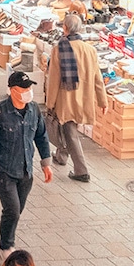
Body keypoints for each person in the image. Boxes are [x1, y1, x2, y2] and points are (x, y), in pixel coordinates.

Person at [0, 72, 54, 255]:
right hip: (4, 171)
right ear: (13, 91)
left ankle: (6, 239)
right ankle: (6, 245)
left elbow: (41, 136)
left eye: (29, 88)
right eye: (24, 89)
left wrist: (46, 163)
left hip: (25, 171)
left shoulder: (34, 110)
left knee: (16, 210)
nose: (28, 92)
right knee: (12, 210)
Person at [43, 12, 106, 182]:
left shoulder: (58, 49)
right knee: (68, 127)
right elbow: (97, 77)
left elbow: (54, 79)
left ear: (65, 28)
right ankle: (61, 157)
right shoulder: (90, 50)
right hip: (84, 98)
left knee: (69, 131)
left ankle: (81, 170)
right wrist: (102, 100)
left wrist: (50, 102)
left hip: (66, 99)